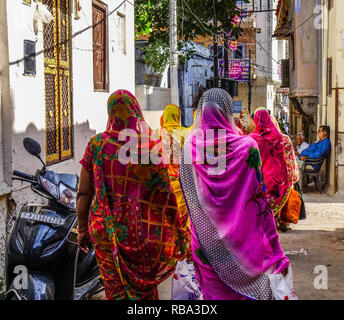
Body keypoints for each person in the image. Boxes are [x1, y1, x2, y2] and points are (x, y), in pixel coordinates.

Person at [76, 89, 189, 300]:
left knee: (115, 289)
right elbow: (164, 195)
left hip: (107, 234)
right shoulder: (150, 147)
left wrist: (82, 229)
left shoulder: (97, 146)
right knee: (144, 293)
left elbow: (84, 193)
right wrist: (177, 230)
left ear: (111, 113)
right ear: (136, 112)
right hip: (143, 235)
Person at [180, 88, 290, 300]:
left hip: (205, 241)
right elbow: (261, 204)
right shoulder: (248, 147)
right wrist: (275, 252)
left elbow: (191, 199)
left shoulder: (190, 146)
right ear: (229, 113)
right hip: (244, 243)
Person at [249, 109, 292, 216]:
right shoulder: (278, 137)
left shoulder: (252, 138)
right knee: (274, 201)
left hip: (260, 177)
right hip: (276, 176)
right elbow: (281, 158)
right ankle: (274, 222)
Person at [155, 104, 190, 231]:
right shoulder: (186, 134)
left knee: (165, 219)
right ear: (177, 117)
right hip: (182, 183)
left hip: (161, 183)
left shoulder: (155, 134)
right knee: (181, 219)